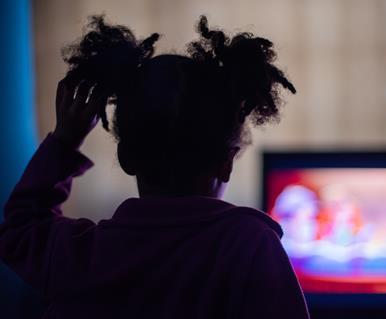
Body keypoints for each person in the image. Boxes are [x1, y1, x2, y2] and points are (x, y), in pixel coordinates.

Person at [0, 15, 309, 319]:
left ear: (126, 158)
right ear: (226, 165)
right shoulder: (250, 246)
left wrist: (65, 140)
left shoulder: (80, 255)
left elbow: (21, 226)